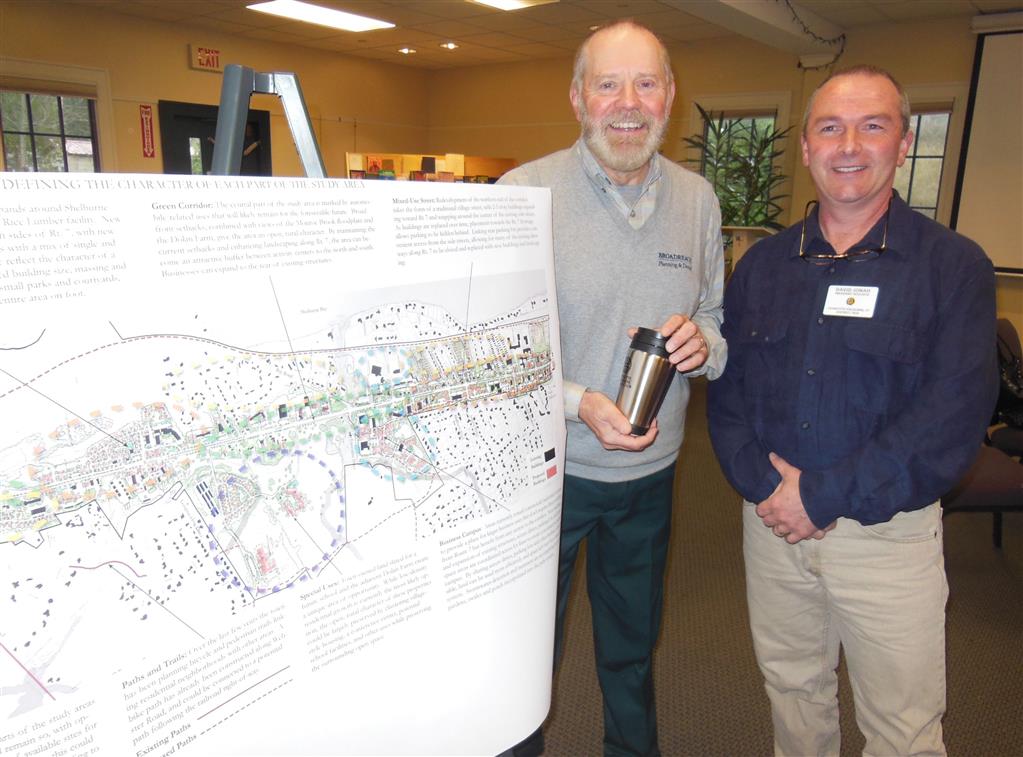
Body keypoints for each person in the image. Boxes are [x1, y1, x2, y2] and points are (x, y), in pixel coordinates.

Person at [707, 65, 997, 756]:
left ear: (903, 144)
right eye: (830, 127)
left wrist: (821, 495)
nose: (849, 145)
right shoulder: (762, 265)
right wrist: (768, 490)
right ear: (806, 146)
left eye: (872, 126)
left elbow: (950, 416)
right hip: (772, 526)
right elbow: (728, 395)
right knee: (792, 690)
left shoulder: (952, 267)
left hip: (886, 535)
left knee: (903, 726)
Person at [498, 20, 726, 757]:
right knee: (522, 659)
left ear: (669, 96)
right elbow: (496, 353)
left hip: (648, 479)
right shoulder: (522, 194)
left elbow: (714, 317)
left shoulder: (698, 199)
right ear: (577, 98)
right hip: (547, 475)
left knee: (631, 650)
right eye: (608, 84)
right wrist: (578, 403)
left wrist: (703, 345)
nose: (628, 103)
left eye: (645, 83)